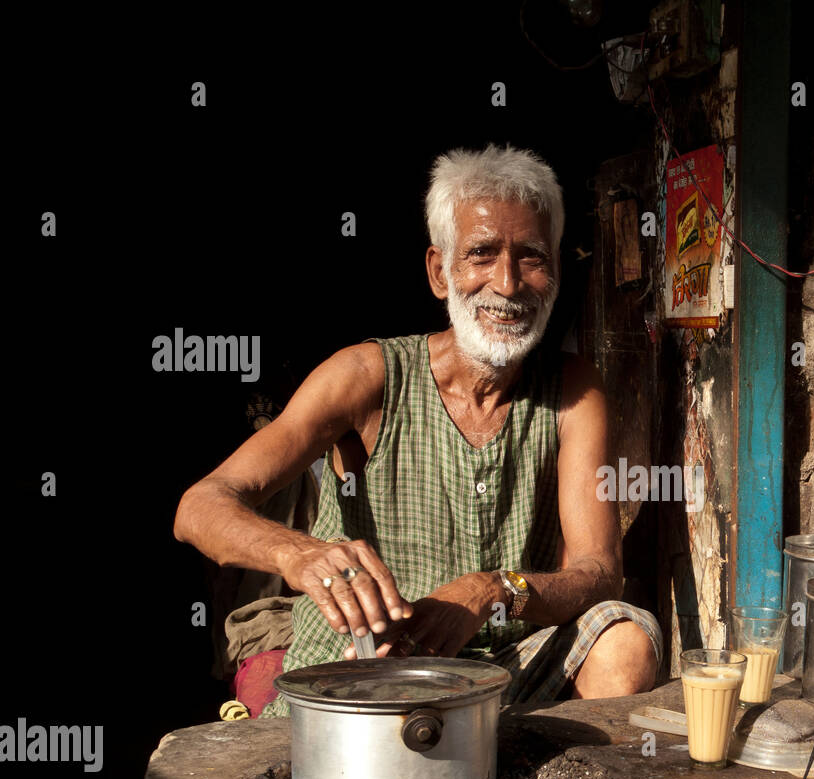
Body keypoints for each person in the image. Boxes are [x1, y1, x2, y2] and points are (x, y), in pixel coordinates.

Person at [174, 145, 662, 714]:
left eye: (530, 257)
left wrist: (494, 590)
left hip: (497, 676)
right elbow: (199, 507)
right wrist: (298, 555)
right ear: (439, 272)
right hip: (360, 670)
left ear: (554, 270)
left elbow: (599, 572)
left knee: (626, 641)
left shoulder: (574, 391)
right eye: (481, 254)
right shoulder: (367, 376)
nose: (507, 283)